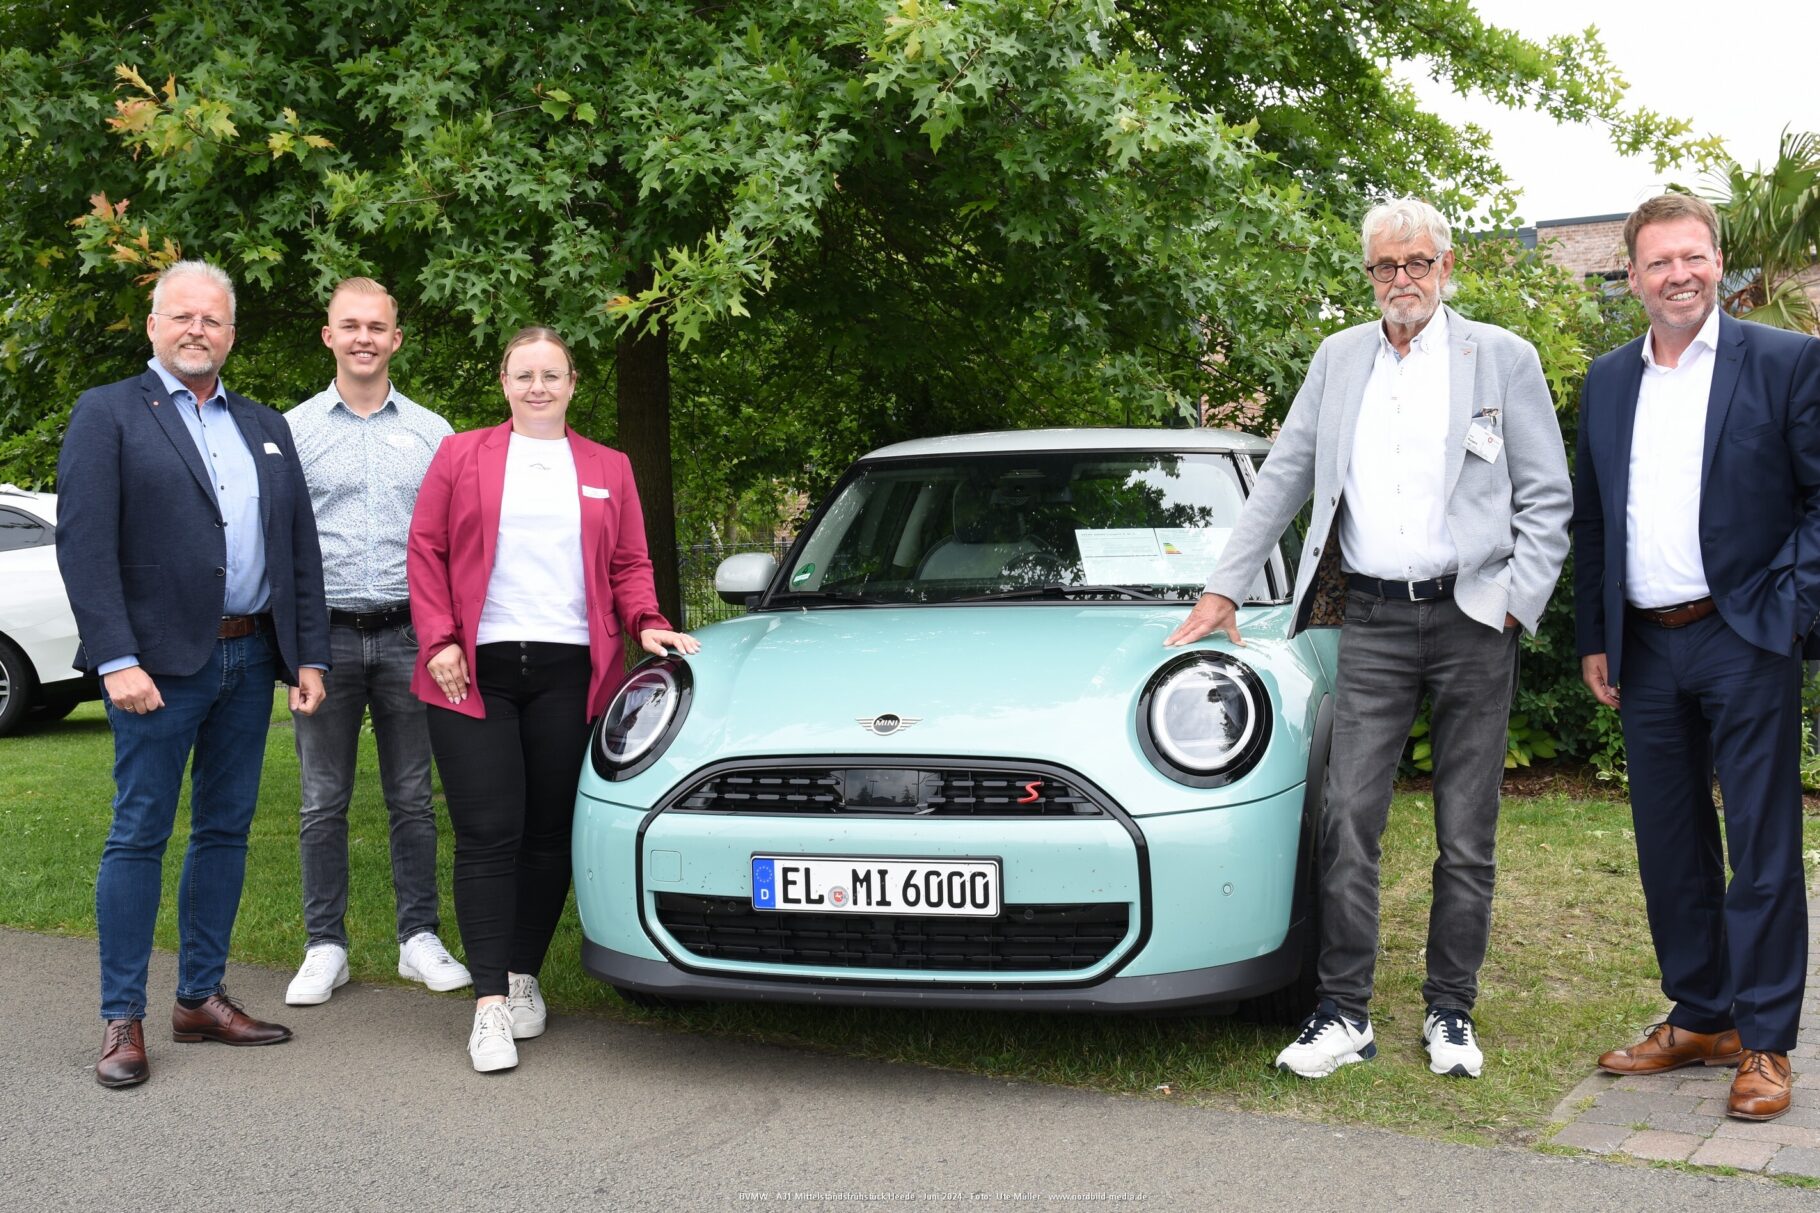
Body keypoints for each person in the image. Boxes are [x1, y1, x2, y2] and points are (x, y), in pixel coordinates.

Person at [1165, 198, 1572, 1080]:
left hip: (1473, 616)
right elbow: (1284, 476)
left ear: (1447, 266)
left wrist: (1515, 602)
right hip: (1374, 619)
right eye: (1386, 267)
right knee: (1348, 815)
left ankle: (1450, 1011)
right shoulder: (1338, 359)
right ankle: (1342, 1010)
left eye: (1417, 263)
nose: (1402, 281)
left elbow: (1548, 495)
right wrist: (1224, 585)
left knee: (1468, 828)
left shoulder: (1502, 357)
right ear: (1369, 276)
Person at [1572, 193, 1820, 1121]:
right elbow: (1593, 516)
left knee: (1761, 847)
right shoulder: (1607, 380)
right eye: (1658, 261)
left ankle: (1765, 1042)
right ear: (1631, 276)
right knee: (1668, 842)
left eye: (1693, 256)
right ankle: (1702, 1015)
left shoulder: (1787, 363)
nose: (1679, 274)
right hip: (1643, 641)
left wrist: (1786, 611)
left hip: (1744, 636)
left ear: (1719, 263)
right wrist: (1596, 634)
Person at [56, 260, 330, 1088]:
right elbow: (84, 545)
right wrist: (115, 657)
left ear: (231, 334)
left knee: (225, 829)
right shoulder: (108, 414)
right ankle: (122, 1017)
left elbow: (298, 552)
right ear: (153, 326)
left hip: (249, 660)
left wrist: (305, 653)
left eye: (212, 319)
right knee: (139, 831)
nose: (196, 330)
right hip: (155, 668)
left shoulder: (264, 425)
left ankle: (200, 997)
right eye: (181, 316)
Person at [407, 326, 699, 1072]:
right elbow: (427, 550)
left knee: (546, 833)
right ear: (503, 381)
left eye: (552, 374)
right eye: (524, 373)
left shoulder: (608, 466)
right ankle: (488, 1008)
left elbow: (631, 561)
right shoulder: (460, 455)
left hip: (571, 671)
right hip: (473, 672)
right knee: (488, 831)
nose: (538, 386)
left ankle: (522, 977)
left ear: (573, 383)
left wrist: (649, 621)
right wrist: (439, 638)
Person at [282, 278, 469, 1006]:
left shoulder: (434, 433)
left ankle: (417, 938)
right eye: (349, 325)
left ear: (396, 337)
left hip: (409, 635)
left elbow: (456, 544)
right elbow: (284, 546)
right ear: (327, 334)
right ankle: (324, 945)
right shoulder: (293, 432)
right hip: (321, 640)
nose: (364, 337)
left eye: (377, 326)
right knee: (321, 799)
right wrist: (296, 647)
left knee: (414, 798)